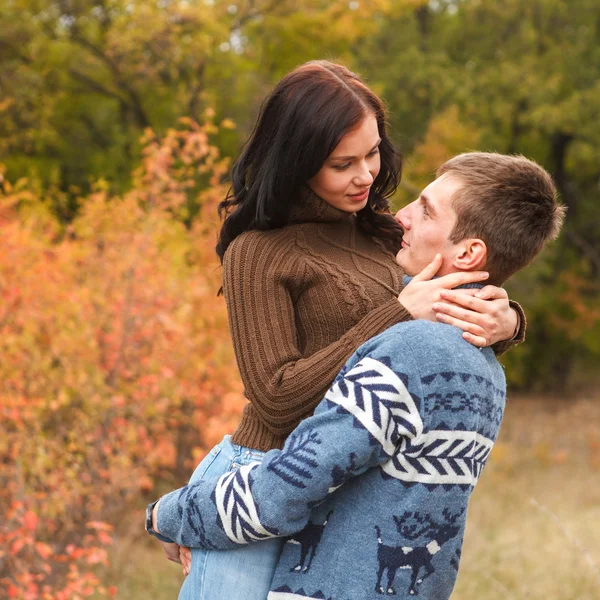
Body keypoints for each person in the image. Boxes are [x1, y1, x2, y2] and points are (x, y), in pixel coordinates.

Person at [147, 61, 524, 600]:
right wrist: (397, 313)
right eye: (341, 163)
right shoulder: (257, 253)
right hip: (263, 473)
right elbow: (276, 399)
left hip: (341, 483)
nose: (365, 175)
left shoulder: (381, 231)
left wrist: (507, 320)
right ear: (298, 162)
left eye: (372, 153)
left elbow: (451, 298)